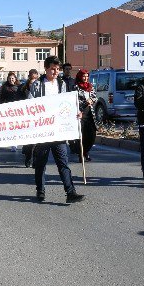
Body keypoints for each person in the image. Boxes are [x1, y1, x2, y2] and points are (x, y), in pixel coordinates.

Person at [29, 56, 85, 203]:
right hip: (43, 130)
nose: (55, 72)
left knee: (63, 162)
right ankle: (40, 190)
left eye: (58, 69)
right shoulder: (37, 85)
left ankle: (70, 192)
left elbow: (67, 104)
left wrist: (76, 112)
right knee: (41, 163)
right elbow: (29, 106)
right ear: (46, 69)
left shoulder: (62, 84)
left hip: (58, 130)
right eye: (53, 69)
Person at [71, 69, 97, 162]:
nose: (85, 78)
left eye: (87, 76)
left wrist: (91, 100)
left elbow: (94, 96)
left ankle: (86, 151)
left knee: (92, 135)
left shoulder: (90, 86)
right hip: (81, 112)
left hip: (90, 112)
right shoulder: (75, 87)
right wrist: (84, 102)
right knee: (82, 135)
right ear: (80, 76)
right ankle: (81, 153)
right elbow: (74, 100)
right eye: (84, 76)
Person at [20, 69, 40, 167]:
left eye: (35, 82)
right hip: (26, 119)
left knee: (37, 142)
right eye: (32, 82)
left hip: (38, 120)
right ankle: (28, 157)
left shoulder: (40, 92)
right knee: (29, 141)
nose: (33, 84)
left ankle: (35, 160)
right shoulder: (23, 90)